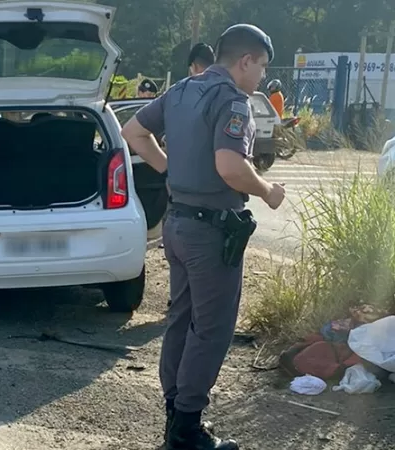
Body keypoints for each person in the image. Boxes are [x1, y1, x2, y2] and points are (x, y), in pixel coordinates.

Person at [121, 24, 286, 449]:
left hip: (176, 225)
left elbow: (133, 133)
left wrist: (169, 170)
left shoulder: (179, 91)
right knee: (212, 328)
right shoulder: (232, 100)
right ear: (244, 60)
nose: (262, 77)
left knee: (181, 318)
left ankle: (175, 412)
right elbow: (230, 166)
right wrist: (268, 192)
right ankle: (188, 430)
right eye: (262, 67)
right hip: (210, 231)